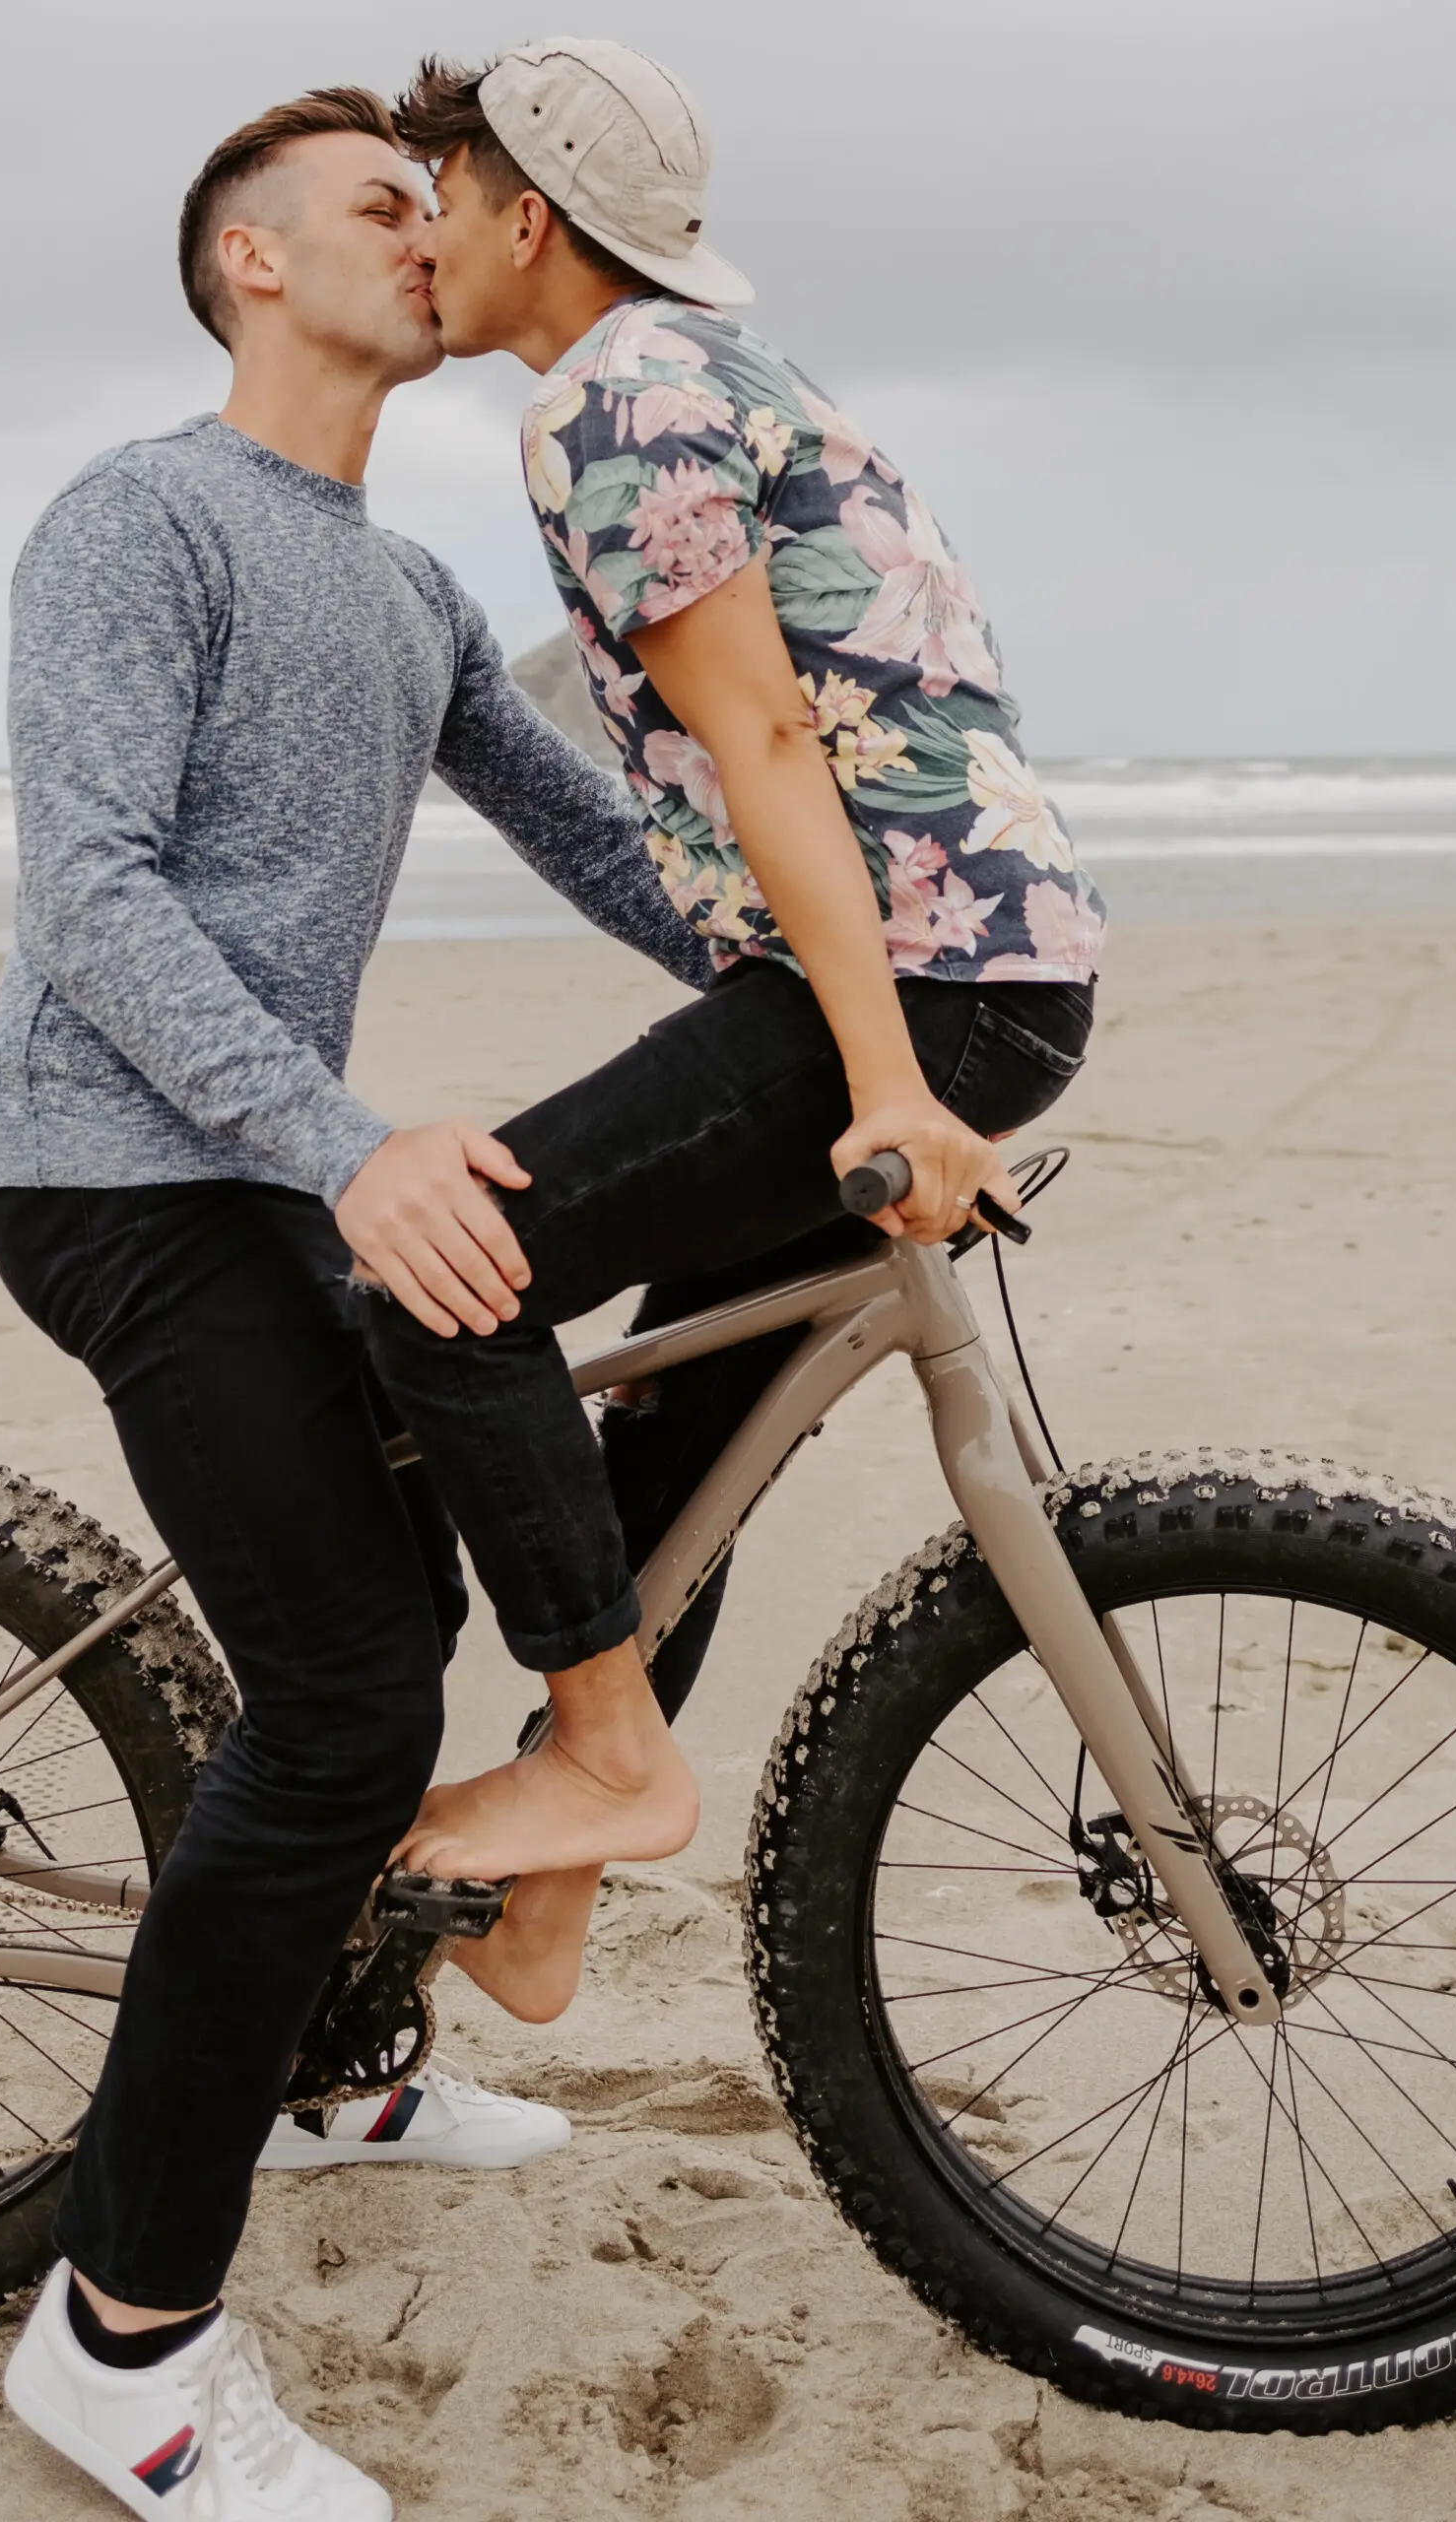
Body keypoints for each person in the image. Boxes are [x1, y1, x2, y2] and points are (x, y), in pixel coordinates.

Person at [0, 86, 714, 2521]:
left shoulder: (397, 594)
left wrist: (833, 986)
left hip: (273, 1161)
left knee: (415, 1552)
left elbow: (598, 837)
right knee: (345, 1694)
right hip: (112, 1169)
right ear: (249, 266)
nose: (438, 237)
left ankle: (324, 2074)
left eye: (439, 207)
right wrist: (339, 1141)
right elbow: (89, 892)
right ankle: (120, 2340)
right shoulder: (134, 516)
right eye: (383, 208)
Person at [346, 40, 1107, 2015]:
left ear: (525, 214)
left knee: (445, 1281)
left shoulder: (606, 400)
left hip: (911, 992)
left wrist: (876, 1083)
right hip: (1001, 967)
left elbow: (764, 734)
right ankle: (547, 1895)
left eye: (433, 196)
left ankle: (601, 1753)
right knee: (684, 1415)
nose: (418, 236)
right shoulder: (731, 377)